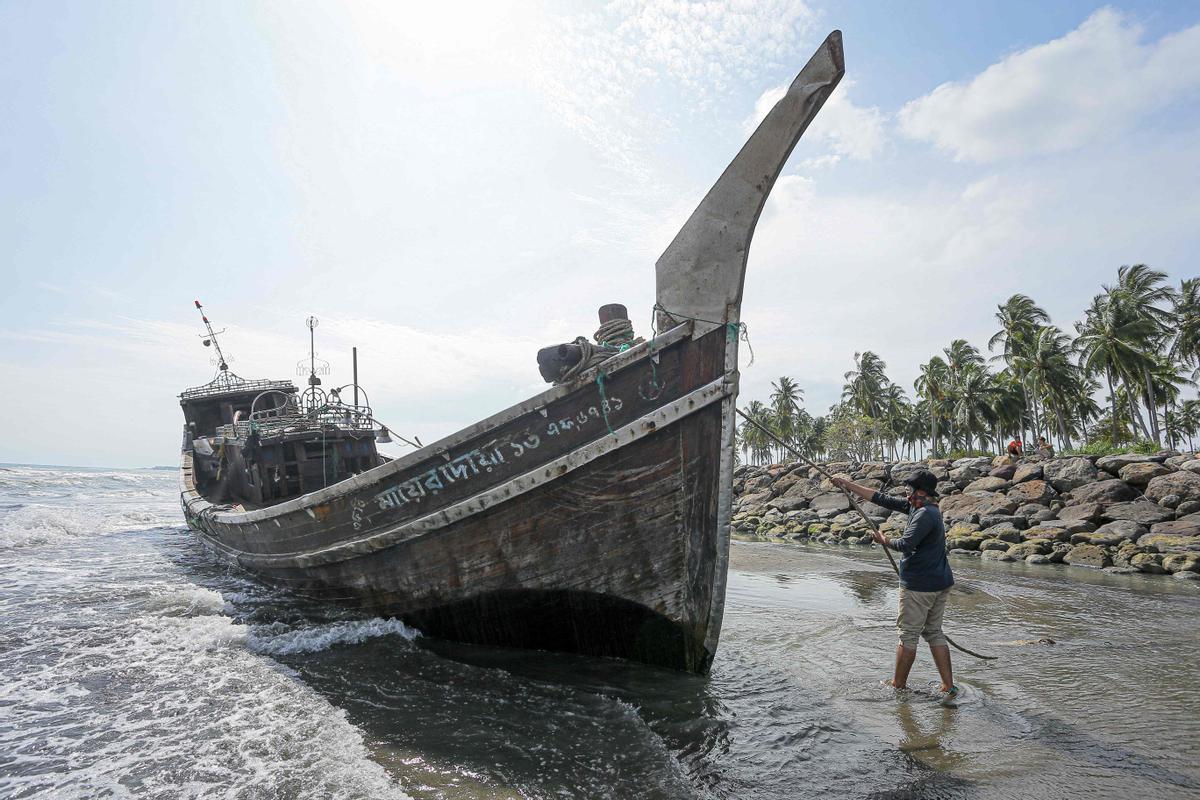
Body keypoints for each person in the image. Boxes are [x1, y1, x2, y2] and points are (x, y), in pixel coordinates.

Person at [831, 470, 958, 701]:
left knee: (908, 635)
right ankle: (948, 687)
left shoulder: (924, 515)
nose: (906, 493)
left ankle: (898, 685)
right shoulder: (921, 506)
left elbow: (906, 544)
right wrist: (847, 484)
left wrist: (884, 540)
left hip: (921, 585)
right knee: (934, 632)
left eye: (910, 489)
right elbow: (881, 498)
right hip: (940, 581)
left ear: (921, 491)